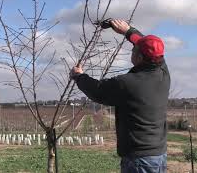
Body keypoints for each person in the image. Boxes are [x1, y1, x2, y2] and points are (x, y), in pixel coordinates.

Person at [70, 19, 170, 173]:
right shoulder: (162, 71)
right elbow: (148, 46)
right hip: (158, 154)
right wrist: (128, 30)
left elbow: (98, 90)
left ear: (140, 58)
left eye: (134, 49)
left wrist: (79, 76)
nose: (132, 50)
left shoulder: (127, 83)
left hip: (139, 159)